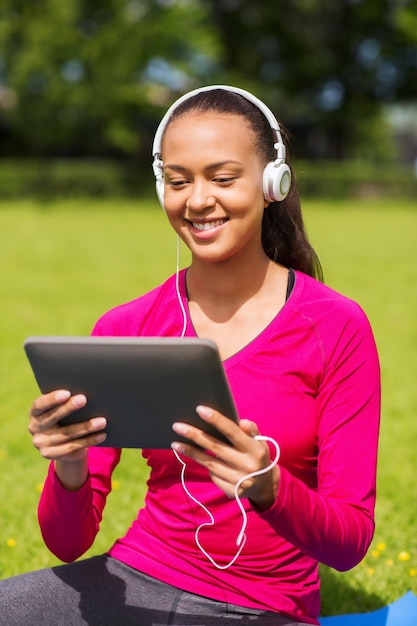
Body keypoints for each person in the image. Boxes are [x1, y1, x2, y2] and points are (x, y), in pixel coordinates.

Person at [0, 85, 380, 626]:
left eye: (222, 178)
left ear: (274, 182)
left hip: (263, 608)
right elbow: (67, 544)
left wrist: (271, 488)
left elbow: (350, 543)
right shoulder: (126, 327)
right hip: (137, 578)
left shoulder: (336, 326)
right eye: (178, 182)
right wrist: (69, 464)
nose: (197, 200)